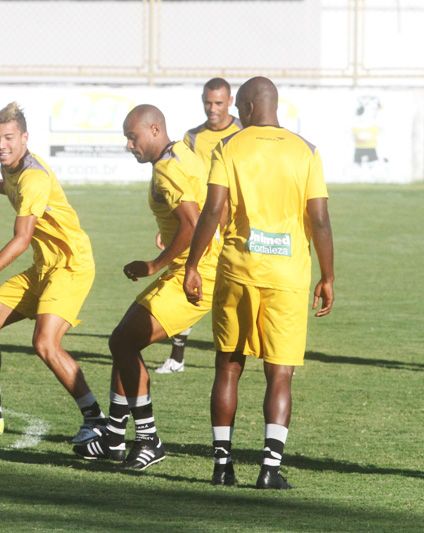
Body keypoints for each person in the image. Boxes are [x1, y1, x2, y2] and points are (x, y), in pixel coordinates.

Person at [183, 77, 334, 489]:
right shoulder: (306, 151)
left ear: (247, 107)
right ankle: (269, 469)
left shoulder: (228, 146)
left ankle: (222, 466)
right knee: (279, 373)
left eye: (238, 108)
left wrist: (193, 264)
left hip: (238, 269)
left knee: (228, 366)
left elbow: (213, 210)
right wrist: (328, 276)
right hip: (288, 275)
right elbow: (319, 218)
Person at [72, 104, 220, 470]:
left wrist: (155, 264)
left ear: (155, 130)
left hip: (197, 272)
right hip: (200, 264)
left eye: (132, 137)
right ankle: (113, 439)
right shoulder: (184, 151)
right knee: (124, 341)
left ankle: (148, 439)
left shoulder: (167, 169)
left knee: (123, 341)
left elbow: (192, 224)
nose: (128, 145)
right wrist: (171, 234)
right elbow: (206, 207)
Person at [0, 102, 104, 443]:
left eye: (8, 138)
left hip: (71, 266)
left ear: (24, 137)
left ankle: (96, 420)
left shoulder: (33, 177)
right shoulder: (14, 168)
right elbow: (9, 186)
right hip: (43, 266)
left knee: (45, 343)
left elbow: (21, 239)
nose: (1, 145)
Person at [154, 77, 243, 375]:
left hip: (237, 222)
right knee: (189, 280)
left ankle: (274, 355)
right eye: (208, 103)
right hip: (204, 223)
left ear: (230, 102)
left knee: (242, 287)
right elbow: (185, 186)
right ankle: (177, 358)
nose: (212, 109)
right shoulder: (192, 137)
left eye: (218, 103)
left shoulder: (243, 132)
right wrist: (171, 223)